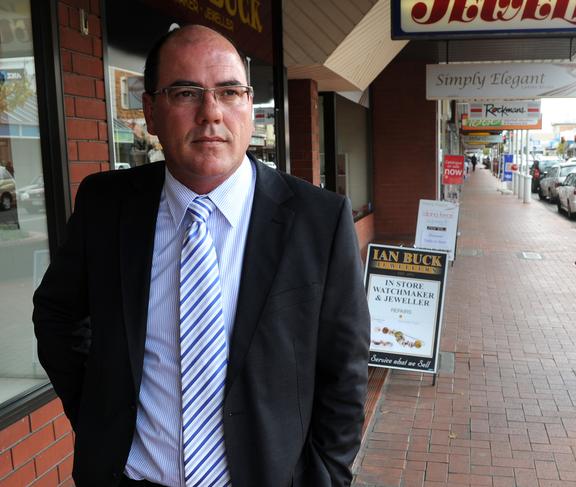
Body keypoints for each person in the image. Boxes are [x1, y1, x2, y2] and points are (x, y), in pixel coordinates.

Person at [33, 25, 370, 487]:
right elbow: (57, 314)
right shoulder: (106, 204)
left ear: (249, 106)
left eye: (229, 92)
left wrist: (327, 476)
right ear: (150, 110)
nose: (211, 113)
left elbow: (343, 371)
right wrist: (97, 414)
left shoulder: (319, 220)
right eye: (186, 92)